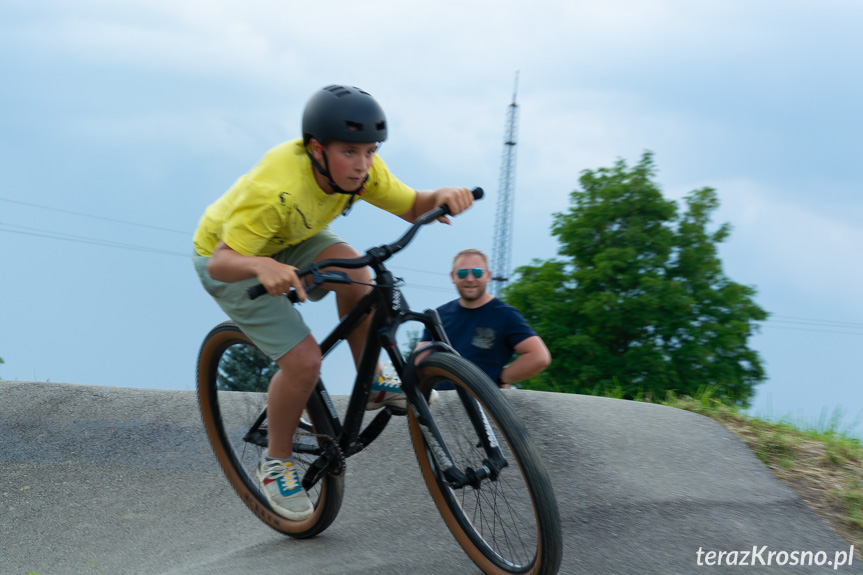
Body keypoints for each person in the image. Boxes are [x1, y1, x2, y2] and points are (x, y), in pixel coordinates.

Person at [192, 85, 474, 521]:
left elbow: (412, 204)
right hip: (233, 258)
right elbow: (220, 263)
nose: (362, 165)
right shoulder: (277, 189)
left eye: (370, 151)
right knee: (304, 362)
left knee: (360, 275)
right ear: (316, 149)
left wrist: (440, 195)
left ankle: (377, 384)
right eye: (350, 152)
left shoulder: (362, 170)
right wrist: (262, 267)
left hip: (293, 239)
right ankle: (276, 462)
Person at [417, 249, 550, 389]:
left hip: (481, 406)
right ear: (452, 277)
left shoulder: (506, 315)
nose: (470, 279)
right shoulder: (439, 315)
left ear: (488, 276)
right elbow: (419, 357)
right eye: (462, 273)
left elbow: (539, 356)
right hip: (436, 403)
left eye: (477, 272)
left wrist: (499, 379)